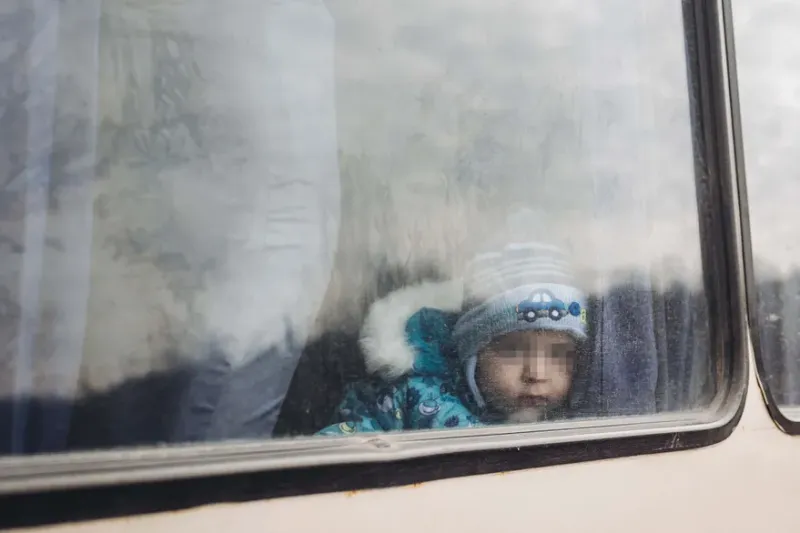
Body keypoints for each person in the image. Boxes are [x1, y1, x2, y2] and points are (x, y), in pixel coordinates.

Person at [317, 236, 589, 435]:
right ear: (472, 353)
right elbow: (341, 454)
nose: (537, 373)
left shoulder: (584, 420)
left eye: (559, 354)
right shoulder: (414, 395)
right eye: (513, 350)